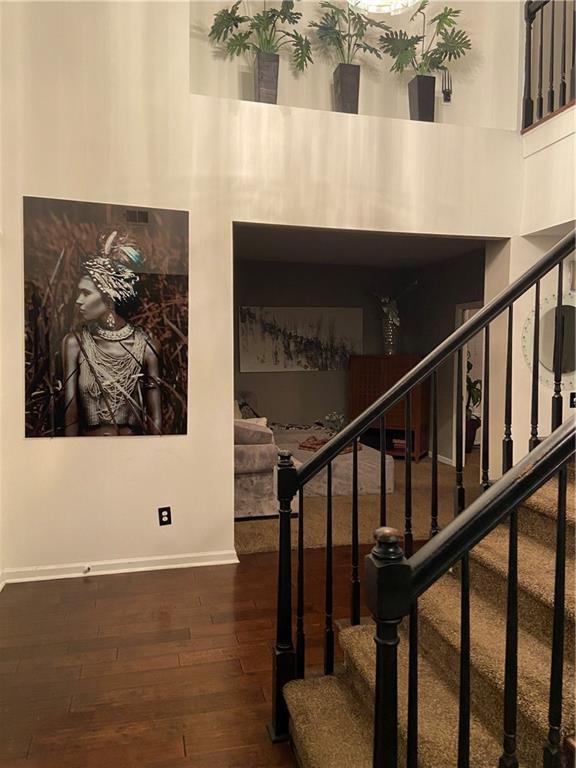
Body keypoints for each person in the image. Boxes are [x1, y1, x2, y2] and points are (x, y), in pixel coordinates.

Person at [62, 229, 162, 436]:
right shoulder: (75, 344)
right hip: (90, 454)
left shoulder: (147, 345)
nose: (78, 300)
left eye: (86, 293)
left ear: (108, 297)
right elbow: (69, 413)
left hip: (135, 453)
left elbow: (155, 418)